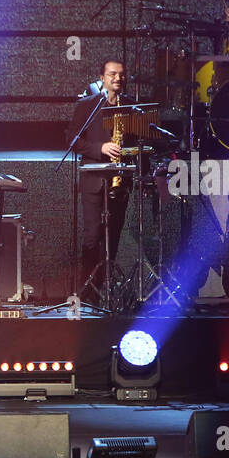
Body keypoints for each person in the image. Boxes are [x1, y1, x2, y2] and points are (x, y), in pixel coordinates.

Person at [64, 59, 131, 300]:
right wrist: (100, 147)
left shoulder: (130, 107)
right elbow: (72, 140)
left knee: (112, 237)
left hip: (120, 181)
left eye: (121, 75)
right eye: (112, 74)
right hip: (94, 180)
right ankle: (88, 290)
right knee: (92, 237)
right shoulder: (88, 105)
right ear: (101, 77)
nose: (118, 78)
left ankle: (106, 289)